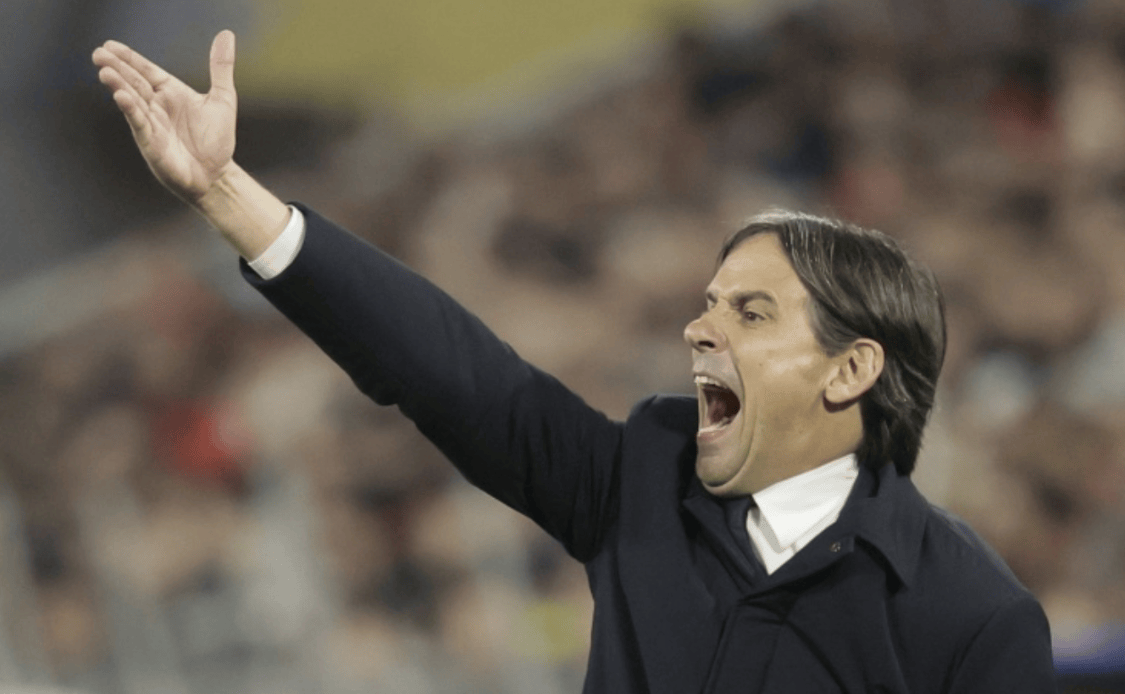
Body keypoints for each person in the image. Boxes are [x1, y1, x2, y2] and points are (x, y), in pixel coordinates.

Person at [92, 31, 1057, 693]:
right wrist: (227, 195)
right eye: (708, 303)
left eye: (751, 312)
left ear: (849, 371)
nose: (699, 330)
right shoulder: (646, 480)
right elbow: (453, 373)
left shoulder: (969, 615)